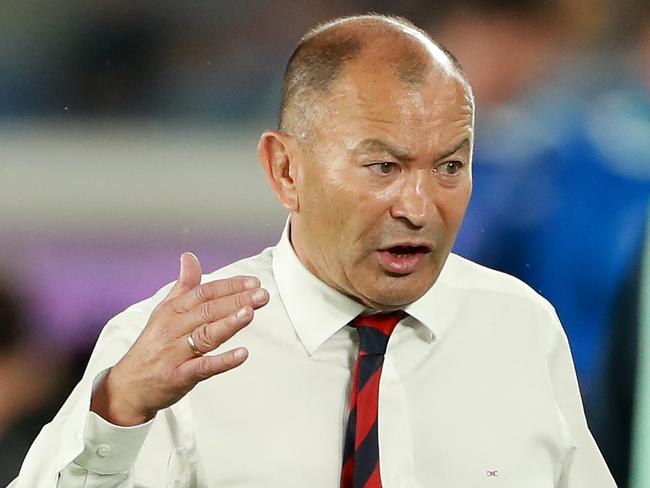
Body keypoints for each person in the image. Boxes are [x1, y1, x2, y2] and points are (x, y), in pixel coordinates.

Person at [11, 14, 616, 487]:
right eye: (384, 165)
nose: (420, 205)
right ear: (285, 170)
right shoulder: (163, 350)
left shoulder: (520, 328)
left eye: (451, 165)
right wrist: (118, 411)